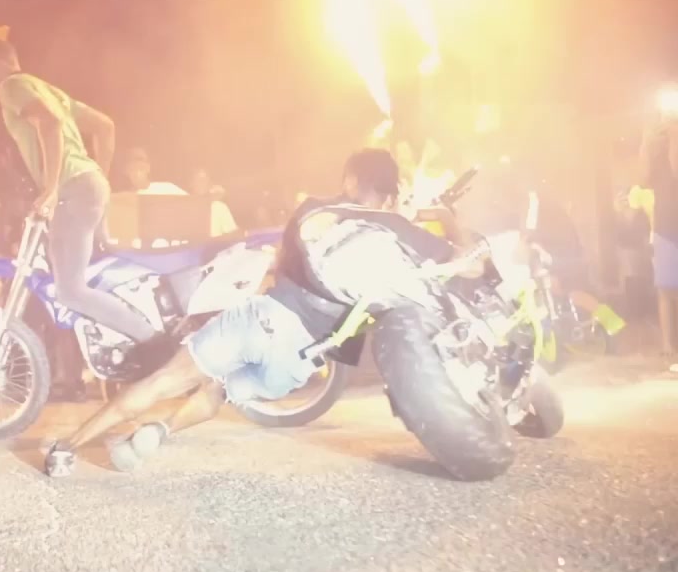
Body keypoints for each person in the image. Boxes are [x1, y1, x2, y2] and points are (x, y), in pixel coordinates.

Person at [44, 148, 458, 477]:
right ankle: (161, 429)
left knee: (164, 381)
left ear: (350, 180)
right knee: (216, 391)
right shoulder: (396, 231)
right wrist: (442, 220)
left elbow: (280, 263)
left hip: (265, 320)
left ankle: (65, 450)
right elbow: (462, 261)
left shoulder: (315, 210)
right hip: (295, 365)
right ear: (392, 191)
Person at [0, 40, 167, 370]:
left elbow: (49, 123)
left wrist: (50, 187)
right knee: (100, 272)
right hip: (89, 186)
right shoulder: (51, 91)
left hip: (72, 191)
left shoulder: (11, 86)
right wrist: (99, 175)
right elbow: (105, 126)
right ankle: (120, 341)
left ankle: (154, 343)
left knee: (70, 291)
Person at [640, 118, 678, 373]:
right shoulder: (658, 157)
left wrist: (674, 137)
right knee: (665, 290)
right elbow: (643, 179)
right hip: (665, 229)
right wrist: (645, 141)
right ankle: (668, 347)